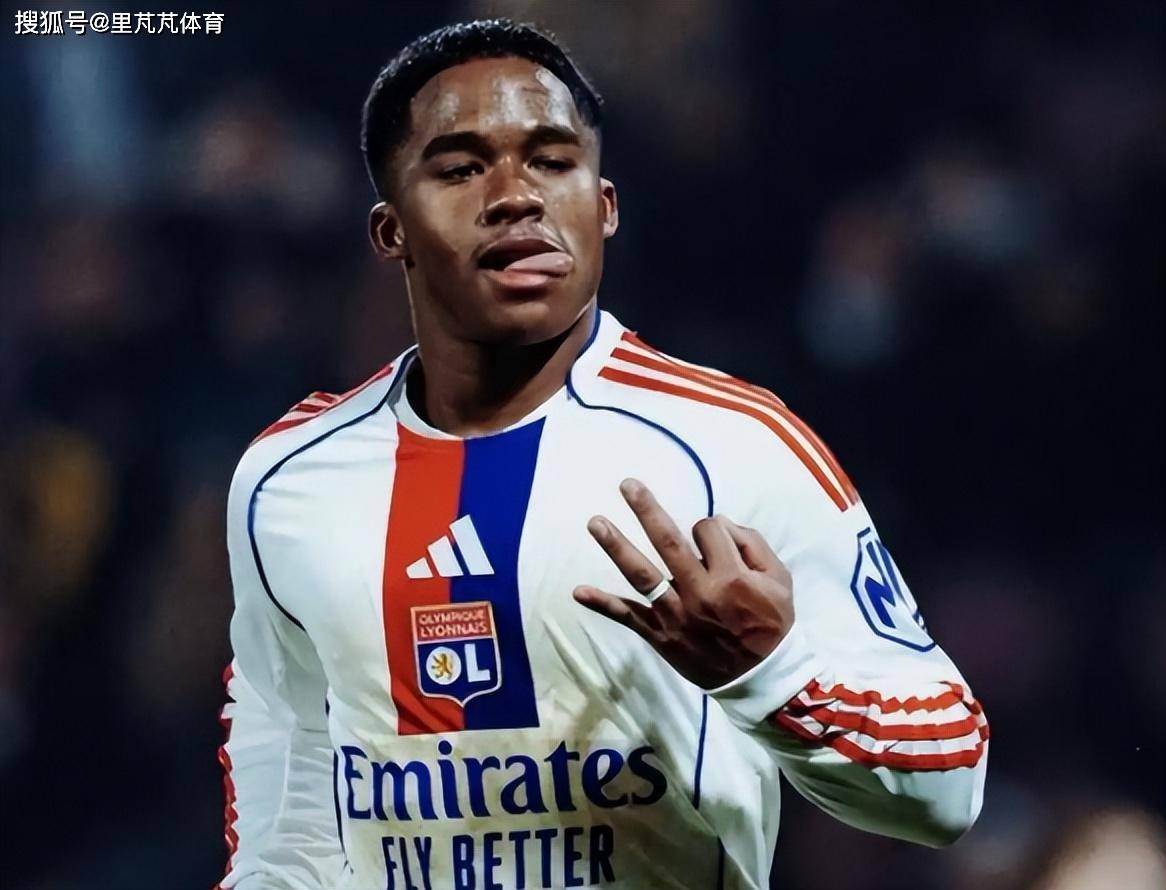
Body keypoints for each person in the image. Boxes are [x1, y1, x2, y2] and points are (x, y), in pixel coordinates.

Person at [217, 19, 988, 890]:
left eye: (552, 162)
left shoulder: (731, 445)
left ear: (605, 206)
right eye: (462, 169)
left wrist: (771, 674)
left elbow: (951, 785)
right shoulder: (289, 479)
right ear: (391, 231)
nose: (515, 195)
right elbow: (290, 790)